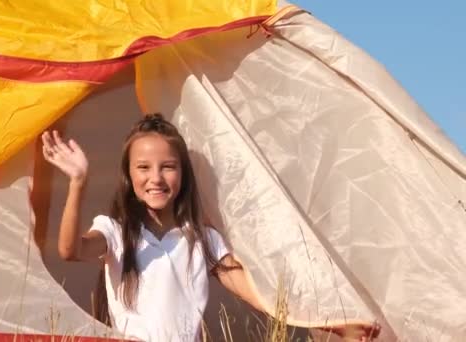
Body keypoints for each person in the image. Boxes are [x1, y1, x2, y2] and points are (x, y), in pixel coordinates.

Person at [41, 113, 379, 342]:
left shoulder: (202, 240)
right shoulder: (116, 231)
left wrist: (332, 325)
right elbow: (70, 251)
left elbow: (261, 295)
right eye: (143, 167)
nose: (155, 178)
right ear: (129, 176)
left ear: (183, 174)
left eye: (168, 167)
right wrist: (78, 182)